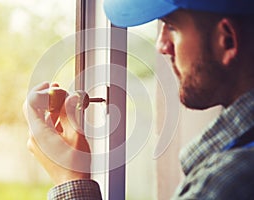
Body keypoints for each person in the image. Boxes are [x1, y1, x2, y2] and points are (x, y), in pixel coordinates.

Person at [24, 0, 254, 199]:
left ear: (227, 40)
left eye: (172, 26)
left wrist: (69, 180)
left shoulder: (228, 182)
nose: (161, 45)